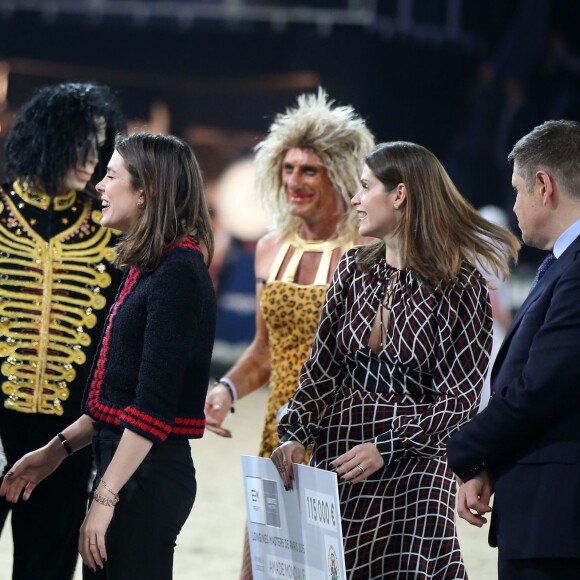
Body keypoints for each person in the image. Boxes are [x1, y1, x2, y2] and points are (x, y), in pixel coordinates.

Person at [270, 141, 520, 579]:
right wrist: (296, 432)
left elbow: (460, 400)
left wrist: (387, 446)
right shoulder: (352, 270)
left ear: (399, 194)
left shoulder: (460, 286)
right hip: (341, 458)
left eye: (366, 187)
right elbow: (322, 367)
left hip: (417, 466)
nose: (355, 199)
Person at [0, 132, 216, 580]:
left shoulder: (178, 270)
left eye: (111, 175)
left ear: (146, 191)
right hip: (127, 470)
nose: (98, 185)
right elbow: (117, 398)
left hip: (145, 477)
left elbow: (151, 409)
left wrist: (104, 498)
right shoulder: (150, 265)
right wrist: (55, 451)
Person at [203, 89, 374, 578]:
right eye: (288, 168)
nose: (294, 181)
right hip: (276, 436)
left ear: (340, 173)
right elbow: (263, 351)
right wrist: (227, 388)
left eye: (310, 170)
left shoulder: (370, 249)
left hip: (346, 440)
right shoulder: (270, 248)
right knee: (261, 569)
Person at [0, 82, 125, 580]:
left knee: (47, 568)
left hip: (65, 439)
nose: (92, 157)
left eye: (100, 146)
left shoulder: (110, 230)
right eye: (82, 142)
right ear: (48, 139)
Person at [447, 120, 580, 579]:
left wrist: (460, 450)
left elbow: (539, 389)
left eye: (518, 190)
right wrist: (491, 464)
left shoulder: (576, 269)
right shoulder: (563, 264)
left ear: (543, 186)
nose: (515, 205)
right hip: (545, 511)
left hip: (558, 521)